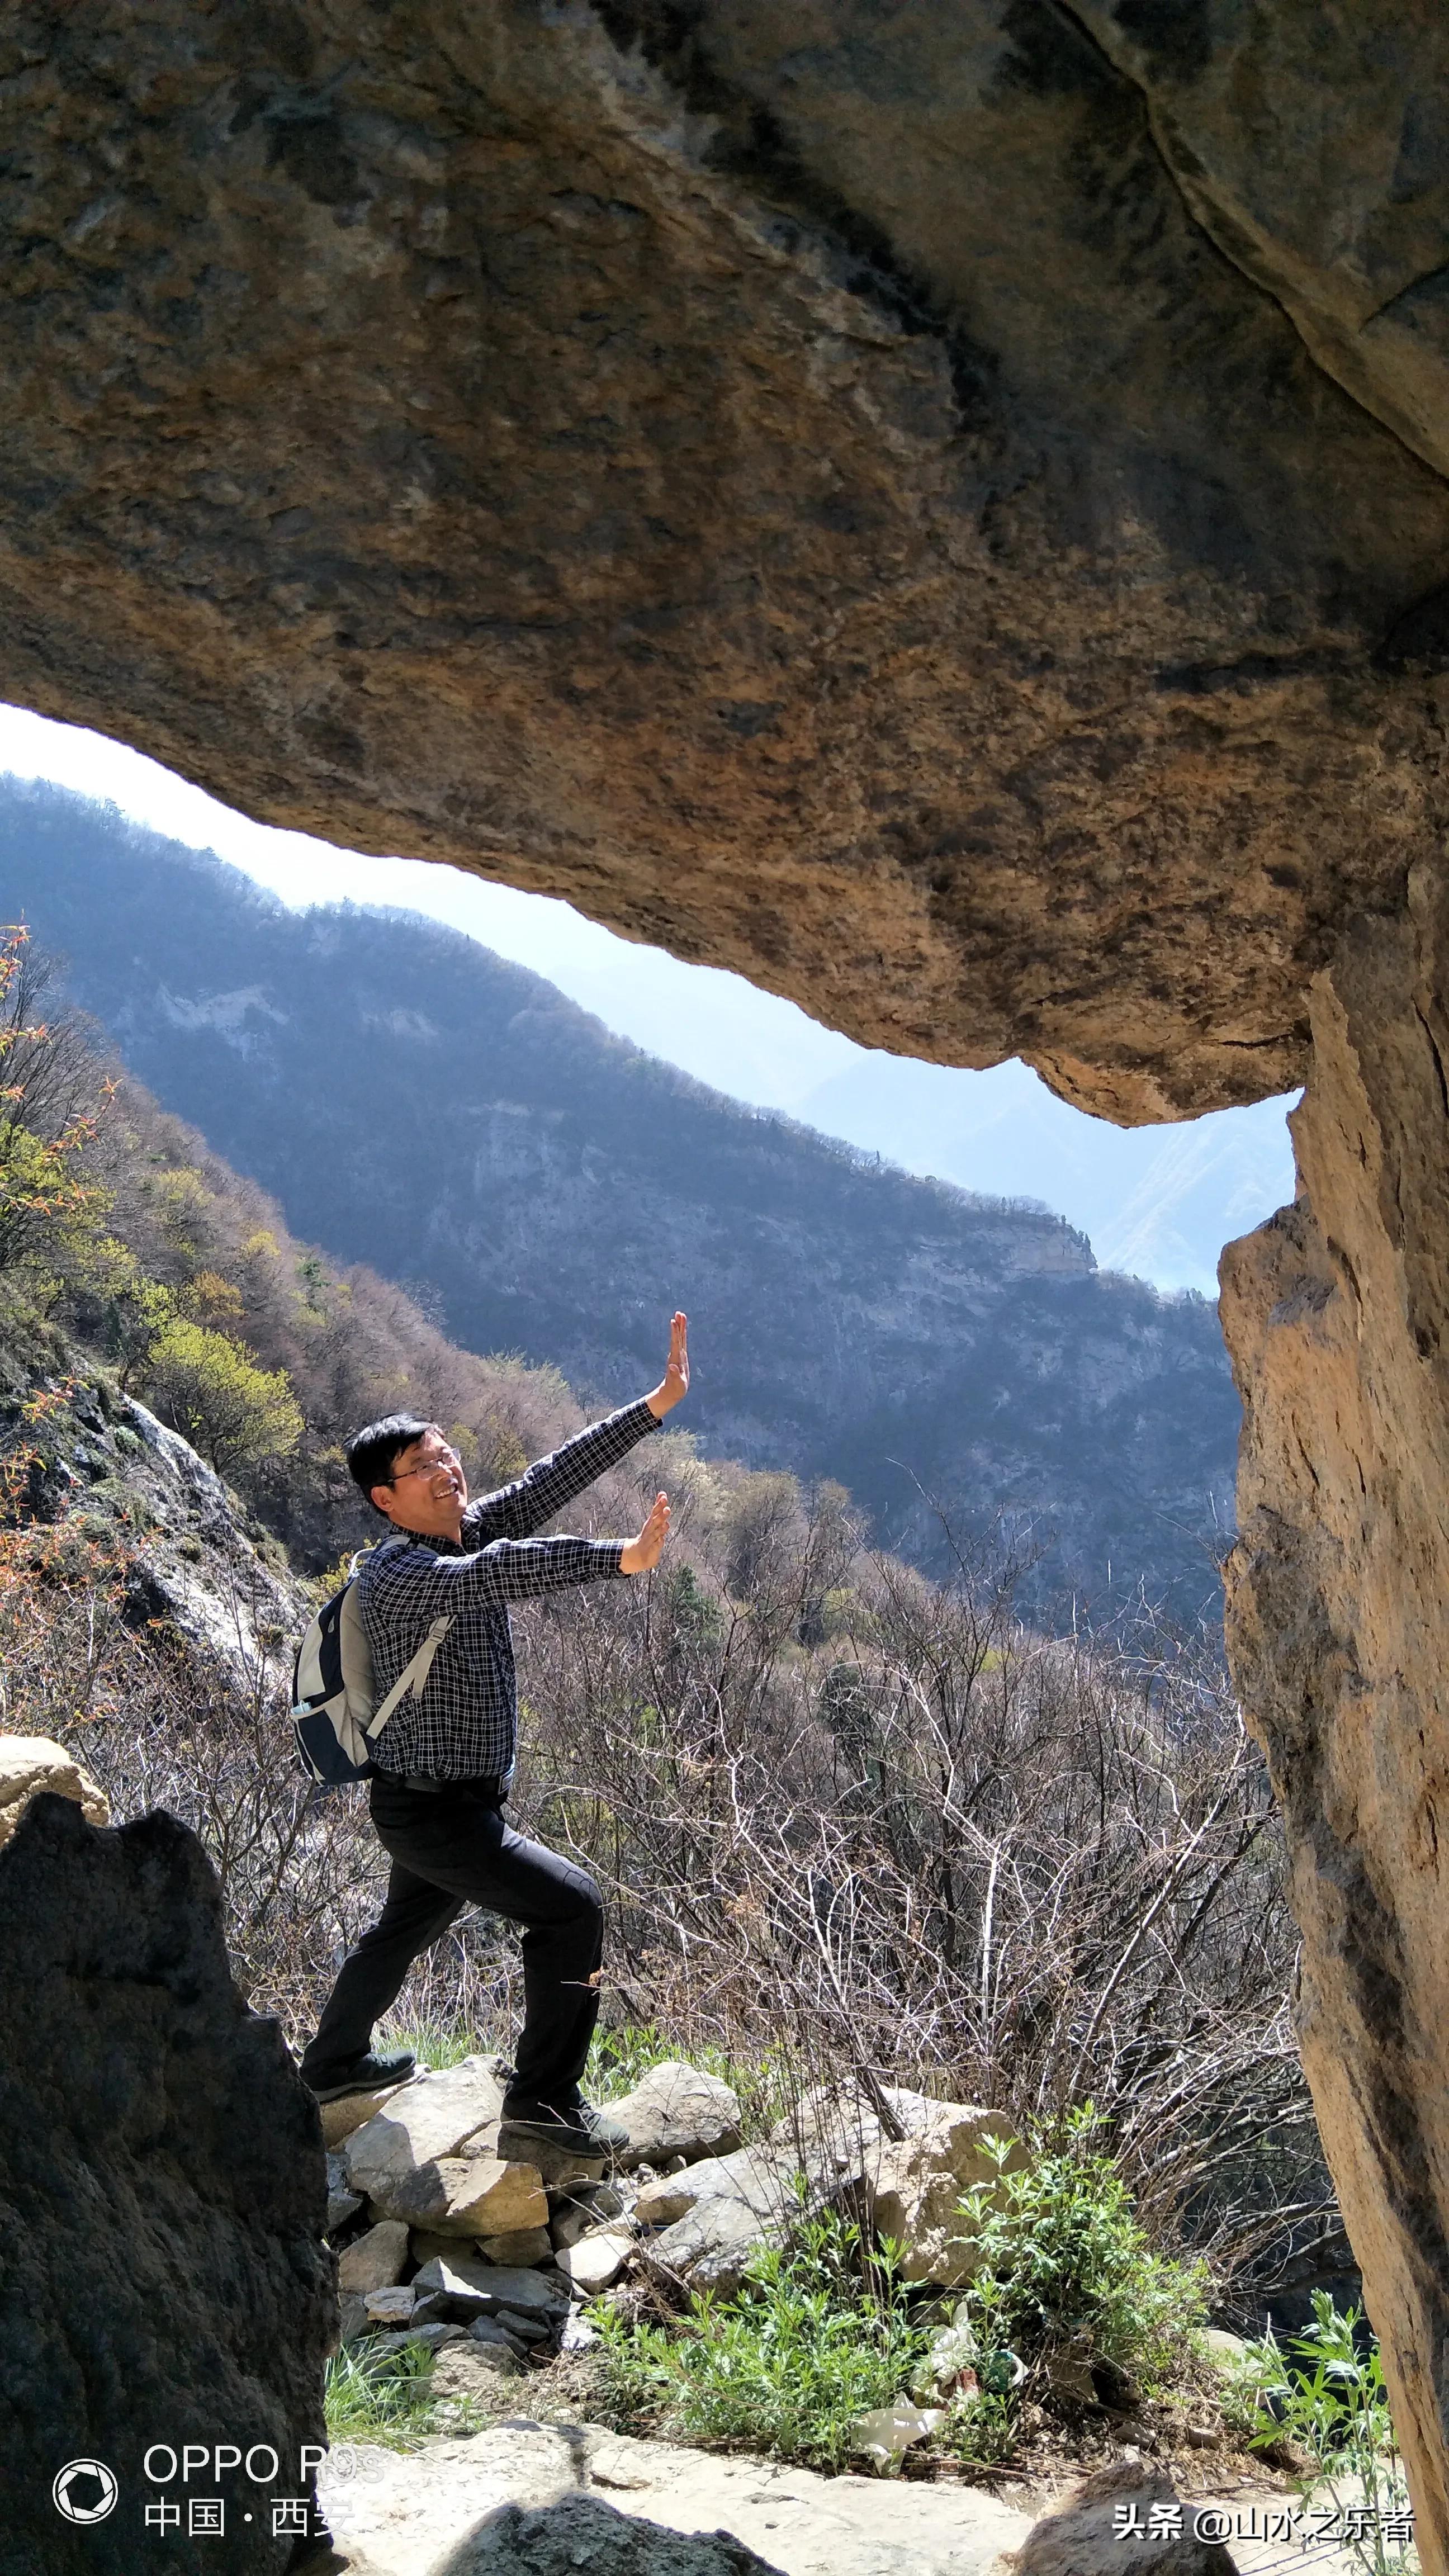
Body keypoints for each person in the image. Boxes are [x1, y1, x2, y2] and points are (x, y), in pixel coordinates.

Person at [297, 1312, 689, 2158]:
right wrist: (617, 1557)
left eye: (445, 1454)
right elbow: (497, 1574)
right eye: (422, 1466)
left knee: (402, 1928)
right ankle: (544, 2107)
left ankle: (330, 2067)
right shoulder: (399, 1575)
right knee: (572, 1909)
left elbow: (553, 1476)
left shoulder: (463, 1525)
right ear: (384, 1499)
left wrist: (653, 1406)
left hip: (444, 1801)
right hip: (434, 1814)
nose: (446, 1470)